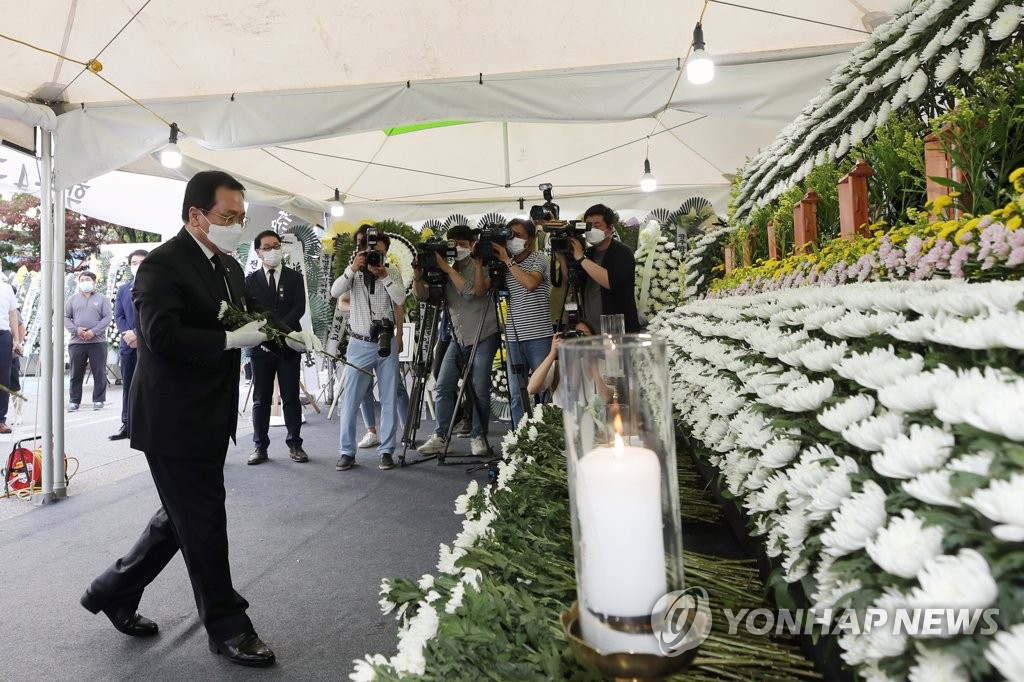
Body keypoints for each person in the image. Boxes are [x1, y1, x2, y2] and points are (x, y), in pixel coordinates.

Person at [81, 170, 295, 668]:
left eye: (241, 217)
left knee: (180, 516)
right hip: (172, 417)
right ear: (196, 215)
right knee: (201, 517)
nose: (236, 226)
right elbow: (159, 335)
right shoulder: (161, 265)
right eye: (228, 217)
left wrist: (289, 335)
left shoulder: (225, 264)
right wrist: (226, 342)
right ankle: (226, 625)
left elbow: (254, 309)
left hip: (209, 413)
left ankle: (112, 590)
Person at [413, 225, 499, 457]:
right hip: (457, 337)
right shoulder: (444, 270)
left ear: (472, 245)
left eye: (462, 242)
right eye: (453, 242)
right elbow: (423, 296)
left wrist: (446, 268)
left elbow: (473, 291)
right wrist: (418, 276)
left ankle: (478, 436)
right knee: (443, 385)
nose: (457, 247)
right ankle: (441, 436)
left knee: (479, 388)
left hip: (484, 335)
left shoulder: (484, 265)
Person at [330, 225, 405, 471]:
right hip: (359, 342)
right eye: (371, 251)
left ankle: (386, 451)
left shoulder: (391, 271)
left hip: (386, 342)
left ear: (387, 253)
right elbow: (335, 293)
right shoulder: (354, 273)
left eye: (380, 252)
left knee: (388, 398)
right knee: (350, 400)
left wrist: (383, 275)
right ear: (361, 249)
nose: (376, 257)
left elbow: (401, 299)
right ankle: (346, 451)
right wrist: (352, 269)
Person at [244, 230, 309, 465]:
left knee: (291, 396)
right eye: (267, 247)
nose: (273, 251)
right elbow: (250, 311)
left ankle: (295, 445)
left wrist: (281, 330)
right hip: (261, 346)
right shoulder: (250, 280)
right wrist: (268, 331)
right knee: (261, 399)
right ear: (259, 252)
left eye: (276, 246)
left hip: (289, 344)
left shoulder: (294, 277)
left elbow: (299, 307)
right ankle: (260, 446)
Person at [491, 218, 551, 427]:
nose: (513, 239)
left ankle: (547, 437)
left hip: (540, 336)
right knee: (517, 393)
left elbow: (531, 283)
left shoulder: (539, 258)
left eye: (519, 235)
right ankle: (519, 442)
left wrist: (508, 261)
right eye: (510, 235)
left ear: (531, 239)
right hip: (514, 337)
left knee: (544, 390)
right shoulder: (503, 265)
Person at [569, 204, 641, 332]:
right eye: (589, 226)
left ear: (611, 228)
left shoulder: (622, 252)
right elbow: (570, 282)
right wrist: (563, 255)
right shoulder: (588, 253)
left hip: (617, 327)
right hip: (590, 328)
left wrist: (580, 257)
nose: (592, 230)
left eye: (597, 226)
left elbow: (609, 281)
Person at [110, 250, 148, 440]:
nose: (138, 265)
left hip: (148, 344)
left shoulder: (156, 286)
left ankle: (147, 424)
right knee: (128, 386)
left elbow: (152, 317)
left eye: (142, 261)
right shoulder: (124, 289)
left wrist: (138, 335)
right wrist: (128, 334)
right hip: (128, 345)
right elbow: (119, 315)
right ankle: (127, 423)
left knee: (149, 385)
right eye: (134, 262)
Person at [64, 271, 112, 410]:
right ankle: (74, 401)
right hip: (76, 342)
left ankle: (99, 400)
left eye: (88, 279)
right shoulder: (72, 299)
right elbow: (66, 317)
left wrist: (93, 331)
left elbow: (107, 317)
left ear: (94, 282)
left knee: (99, 372)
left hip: (97, 342)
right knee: (75, 373)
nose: (85, 282)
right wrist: (76, 330)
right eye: (82, 280)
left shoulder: (103, 299)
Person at [526, 320, 596, 402]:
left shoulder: (600, 364)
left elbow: (609, 398)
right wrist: (552, 354)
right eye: (575, 336)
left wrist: (592, 363)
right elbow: (531, 388)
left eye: (585, 335)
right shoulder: (557, 366)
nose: (580, 341)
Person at [0, 277, 18, 434]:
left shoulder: (6, 288)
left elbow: (13, 314)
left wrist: (16, 340)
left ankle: (0, 420)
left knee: (4, 378)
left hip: (3, 335)